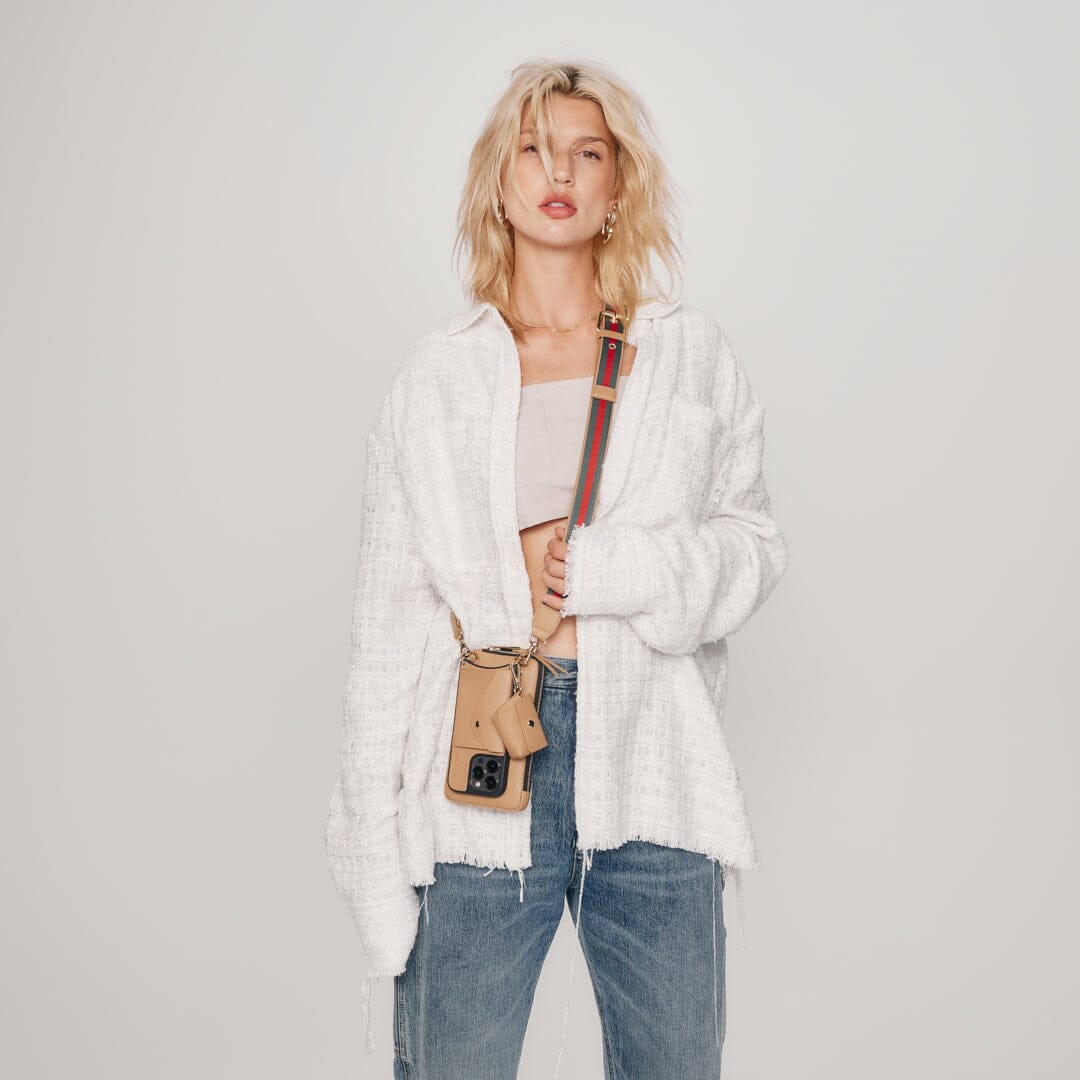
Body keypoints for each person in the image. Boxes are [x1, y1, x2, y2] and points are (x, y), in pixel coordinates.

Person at [325, 59, 789, 1080]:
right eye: (535, 150)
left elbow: (753, 547)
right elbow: (387, 629)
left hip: (652, 754)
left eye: (589, 152)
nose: (561, 173)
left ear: (620, 186)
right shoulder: (437, 378)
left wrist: (619, 570)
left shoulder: (687, 356)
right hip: (483, 761)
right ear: (499, 181)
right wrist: (369, 849)